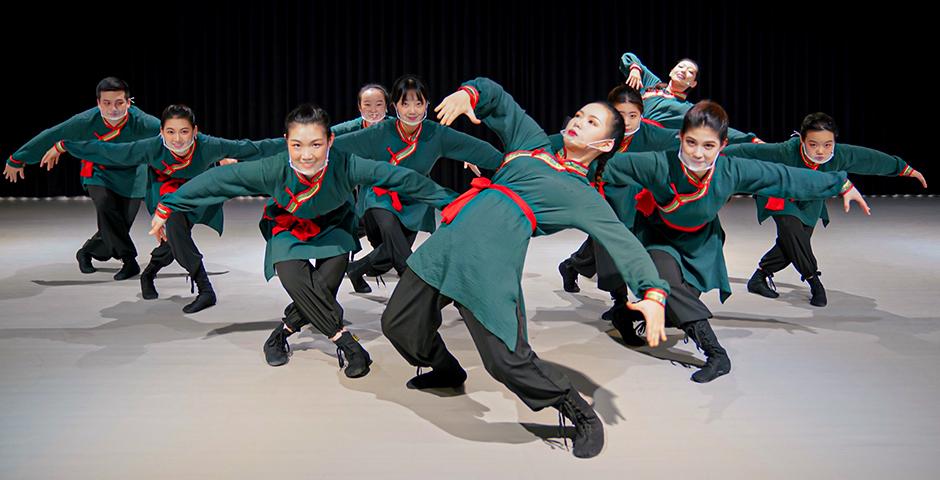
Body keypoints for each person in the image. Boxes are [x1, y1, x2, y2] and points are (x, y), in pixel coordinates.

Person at [382, 77, 670, 458]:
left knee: (507, 362)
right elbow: (499, 100)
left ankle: (577, 410)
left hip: (489, 265)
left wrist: (652, 291)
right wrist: (469, 94)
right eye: (580, 115)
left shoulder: (581, 194)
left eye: (591, 122)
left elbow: (621, 238)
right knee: (398, 324)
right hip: (447, 245)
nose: (579, 121)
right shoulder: (531, 145)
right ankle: (446, 370)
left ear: (603, 145)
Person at [151, 104, 458, 378]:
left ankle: (280, 335)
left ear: (330, 142)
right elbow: (218, 180)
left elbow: (399, 178)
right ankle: (349, 345)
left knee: (324, 286)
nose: (306, 154)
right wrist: (168, 205)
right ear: (286, 143)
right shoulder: (272, 168)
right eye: (297, 145)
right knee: (294, 278)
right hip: (289, 227)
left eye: (316, 144)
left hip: (334, 226)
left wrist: (452, 202)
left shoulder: (347, 164)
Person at [601, 100, 871, 383]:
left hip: (701, 244)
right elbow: (601, 165)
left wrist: (840, 184)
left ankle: (632, 317)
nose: (698, 153)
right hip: (658, 237)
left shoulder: (730, 170)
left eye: (708, 146)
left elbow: (782, 177)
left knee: (656, 315)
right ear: (680, 138)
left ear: (722, 145)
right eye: (691, 142)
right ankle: (716, 354)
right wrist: (559, 160)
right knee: (666, 282)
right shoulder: (657, 164)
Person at [59, 104, 285, 312]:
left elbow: (254, 148)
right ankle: (205, 289)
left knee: (174, 238)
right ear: (162, 132)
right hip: (163, 197)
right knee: (176, 228)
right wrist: (64, 145)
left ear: (195, 131)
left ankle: (148, 274)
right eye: (171, 132)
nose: (177, 139)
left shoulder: (208, 145)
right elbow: (110, 152)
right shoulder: (152, 146)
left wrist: (294, 141)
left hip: (195, 196)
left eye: (184, 131)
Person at [724, 112, 927, 306]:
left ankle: (760, 276)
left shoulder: (839, 155)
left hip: (811, 201)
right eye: (813, 145)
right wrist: (712, 157)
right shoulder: (785, 151)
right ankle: (814, 281)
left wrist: (903, 169)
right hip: (781, 197)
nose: (820, 151)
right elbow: (747, 151)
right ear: (802, 141)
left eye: (827, 145)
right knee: (792, 232)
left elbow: (869, 159)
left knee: (792, 244)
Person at [332, 74, 503, 293]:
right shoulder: (379, 132)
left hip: (416, 199)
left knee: (391, 250)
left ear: (427, 105)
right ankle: (418, 289)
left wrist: (509, 163)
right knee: (393, 237)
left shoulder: (436, 133)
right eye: (405, 103)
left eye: (418, 103)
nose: (412, 110)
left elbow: (476, 148)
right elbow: (338, 144)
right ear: (395, 106)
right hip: (380, 195)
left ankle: (356, 269)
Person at [3, 77, 161, 280]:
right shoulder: (86, 120)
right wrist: (18, 158)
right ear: (98, 103)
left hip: (133, 173)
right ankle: (129, 260)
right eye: (107, 103)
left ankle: (86, 252)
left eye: (119, 103)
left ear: (129, 102)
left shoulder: (143, 122)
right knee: (105, 205)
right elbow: (52, 134)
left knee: (118, 224)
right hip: (98, 171)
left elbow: (179, 135)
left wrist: (215, 153)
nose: (113, 108)